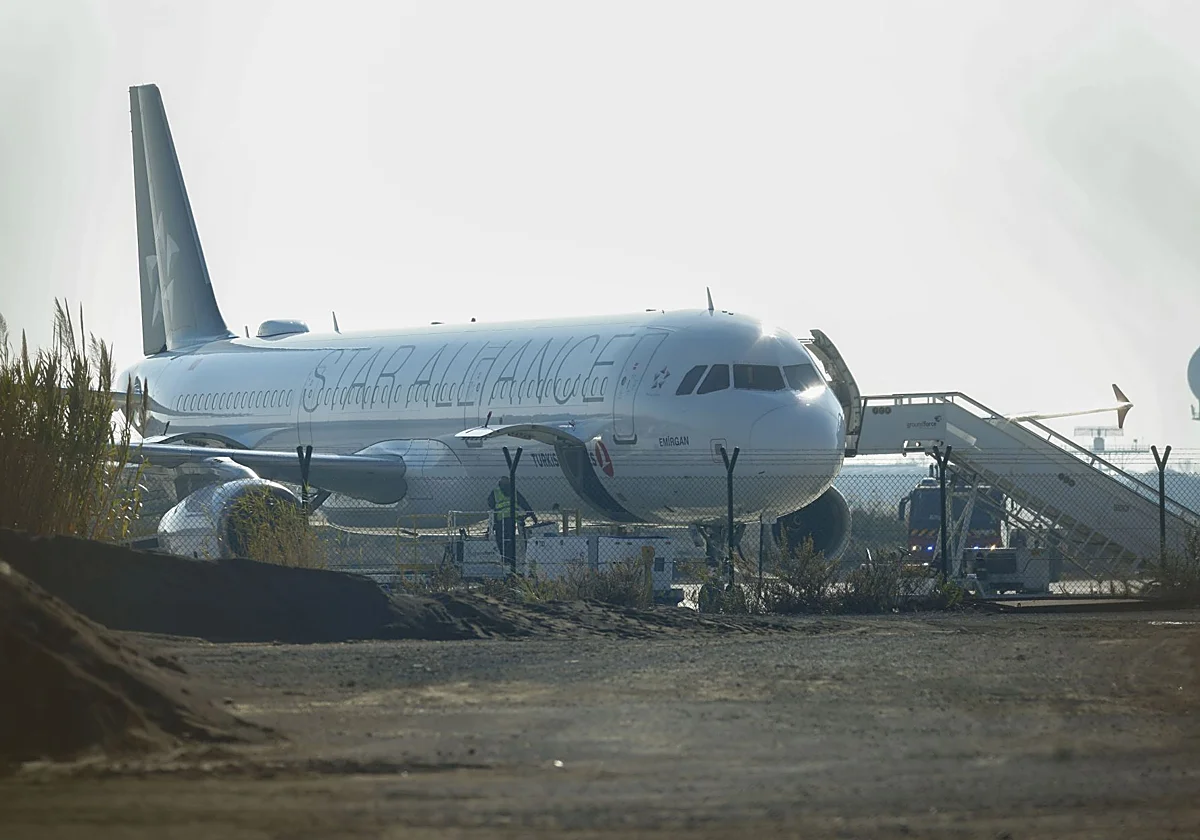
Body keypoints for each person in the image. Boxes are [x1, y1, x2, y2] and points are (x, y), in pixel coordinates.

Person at [487, 475, 536, 570]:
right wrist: (532, 515)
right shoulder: (513, 492)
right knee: (510, 540)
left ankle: (505, 559)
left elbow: (490, 504)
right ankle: (510, 560)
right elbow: (524, 503)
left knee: (501, 541)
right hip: (511, 520)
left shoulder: (495, 492)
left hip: (501, 520)